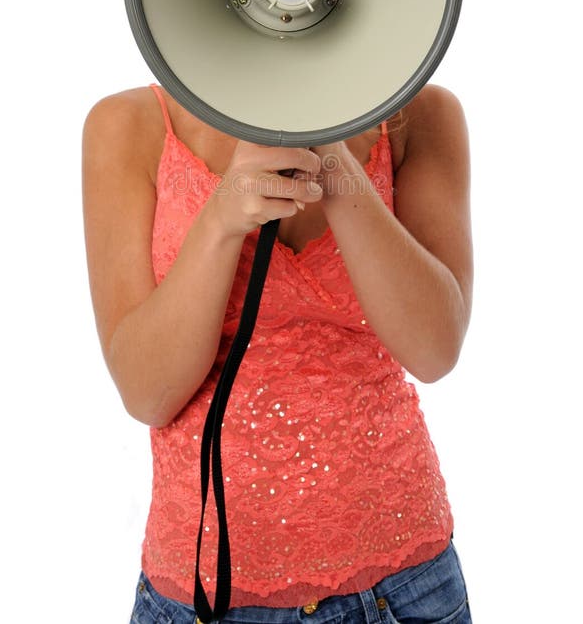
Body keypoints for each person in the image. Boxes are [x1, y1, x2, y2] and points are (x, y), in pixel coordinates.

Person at [82, 80, 473, 624]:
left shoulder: (420, 114)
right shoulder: (128, 125)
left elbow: (435, 350)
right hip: (204, 596)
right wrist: (220, 221)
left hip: (400, 588)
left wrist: (332, 158)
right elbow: (149, 393)